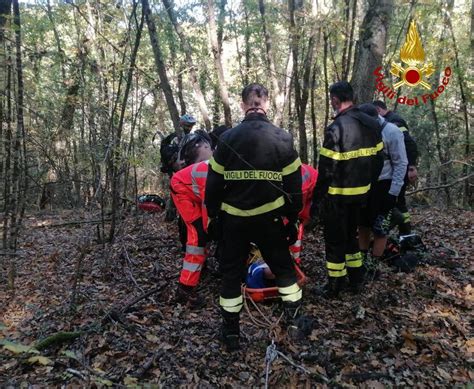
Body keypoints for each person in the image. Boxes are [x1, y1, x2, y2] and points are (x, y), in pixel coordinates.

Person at [205, 83, 304, 351]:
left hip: (233, 221)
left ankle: (231, 333)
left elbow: (212, 184)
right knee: (283, 270)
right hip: (270, 220)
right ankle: (295, 322)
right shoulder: (282, 138)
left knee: (230, 276)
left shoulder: (227, 139)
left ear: (242, 104)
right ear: (266, 103)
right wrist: (293, 217)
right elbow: (295, 185)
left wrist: (213, 216)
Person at [311, 81, 383, 298]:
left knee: (334, 241)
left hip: (337, 197)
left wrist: (316, 200)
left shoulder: (336, 129)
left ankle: (334, 286)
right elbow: (379, 160)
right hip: (361, 196)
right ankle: (356, 280)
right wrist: (368, 184)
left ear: (334, 99)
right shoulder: (371, 124)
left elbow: (325, 170)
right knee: (352, 237)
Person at [357, 103, 408, 267]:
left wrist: (393, 193)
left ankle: (373, 264)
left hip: (384, 185)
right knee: (363, 224)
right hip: (364, 185)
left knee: (380, 227)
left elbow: (401, 163)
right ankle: (363, 259)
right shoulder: (360, 129)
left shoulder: (392, 132)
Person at [170, 136, 214, 308]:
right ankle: (185, 288)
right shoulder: (210, 173)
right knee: (199, 237)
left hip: (195, 189)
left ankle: (201, 269)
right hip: (181, 188)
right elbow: (208, 205)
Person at [373, 101, 418, 235]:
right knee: (398, 201)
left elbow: (409, 145)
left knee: (398, 201)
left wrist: (411, 167)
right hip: (398, 167)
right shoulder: (390, 120)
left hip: (401, 167)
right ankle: (402, 232)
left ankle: (405, 233)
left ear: (378, 110)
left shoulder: (394, 122)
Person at [160, 114, 198, 222]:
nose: (189, 127)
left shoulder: (190, 137)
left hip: (185, 170)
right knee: (176, 193)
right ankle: (172, 215)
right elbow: (174, 155)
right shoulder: (176, 138)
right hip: (176, 171)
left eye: (191, 125)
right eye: (187, 125)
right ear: (182, 124)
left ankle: (177, 216)